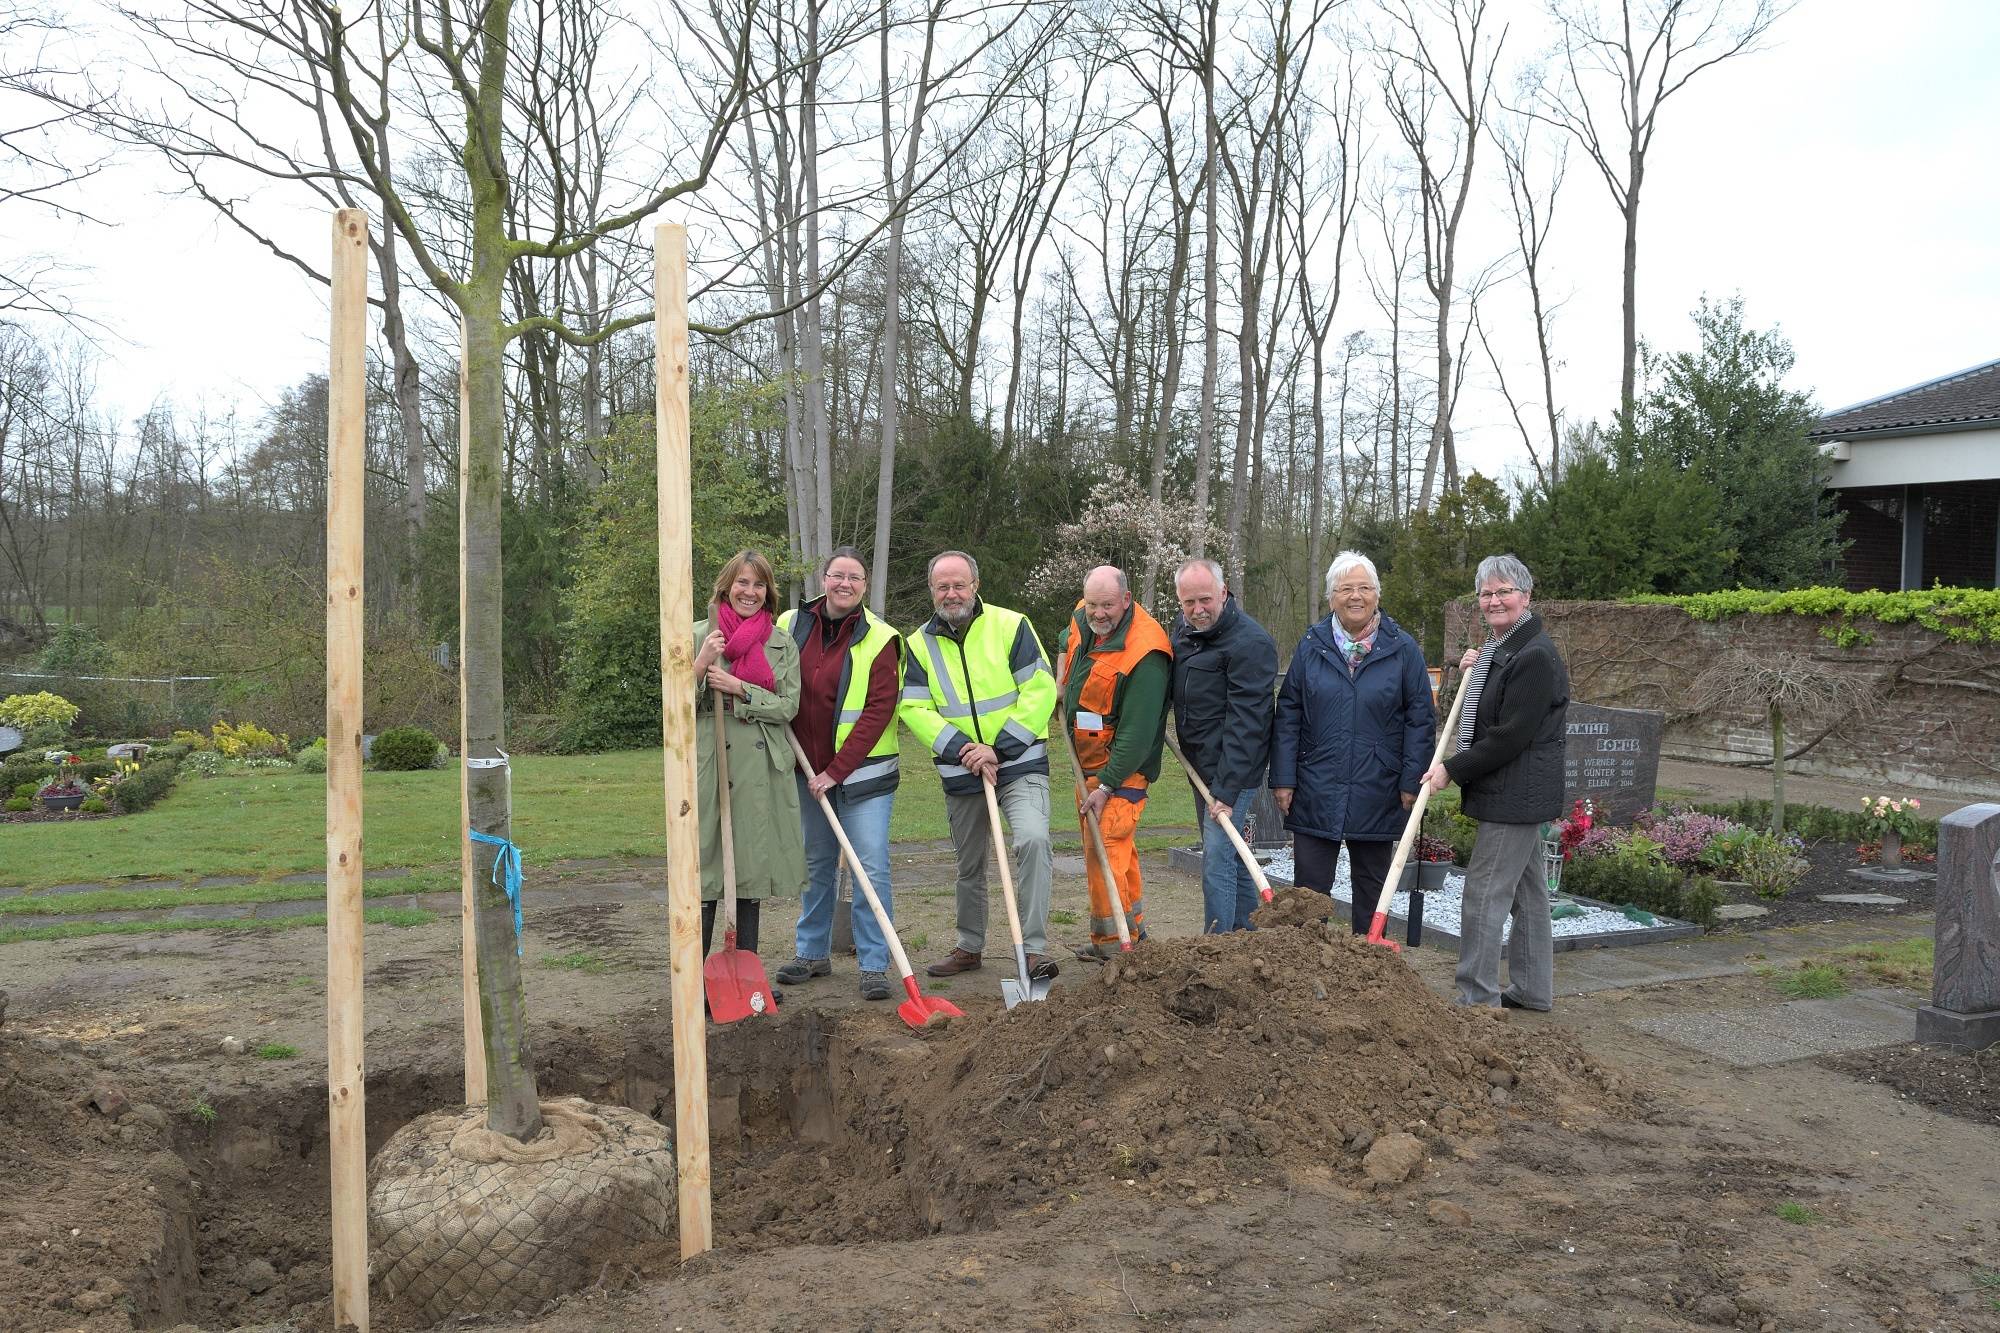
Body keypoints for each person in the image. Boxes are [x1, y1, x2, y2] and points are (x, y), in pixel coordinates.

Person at [900, 550, 1061, 981]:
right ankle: (970, 945)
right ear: (931, 591)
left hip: (1020, 763)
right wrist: (965, 749)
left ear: (976, 585)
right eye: (942, 586)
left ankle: (1034, 949)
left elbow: (1041, 690)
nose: (951, 593)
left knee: (1032, 841)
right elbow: (914, 708)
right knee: (968, 864)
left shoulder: (1012, 625)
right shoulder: (917, 645)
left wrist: (999, 748)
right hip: (962, 769)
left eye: (959, 584)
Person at [1421, 554, 1569, 1011]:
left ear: (1525, 596)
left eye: (1504, 591)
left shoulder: (1535, 656)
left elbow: (1509, 736)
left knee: (1483, 894)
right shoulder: (1503, 650)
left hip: (1514, 795)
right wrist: (1479, 664)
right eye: (1487, 594)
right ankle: (1532, 990)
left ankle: (1476, 998)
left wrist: (1452, 767)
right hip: (1517, 792)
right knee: (1529, 894)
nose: (1494, 600)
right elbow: (1486, 702)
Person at [1271, 551, 1436, 935]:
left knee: (1372, 887)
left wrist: (1412, 780)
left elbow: (1420, 719)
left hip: (1378, 786)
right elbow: (1289, 713)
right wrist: (1283, 778)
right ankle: (1308, 964)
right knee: (1309, 890)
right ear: (1332, 597)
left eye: (1364, 588)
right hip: (1316, 784)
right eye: (1346, 588)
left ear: (1377, 595)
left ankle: (1369, 967)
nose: (1355, 596)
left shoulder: (1403, 649)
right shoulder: (1311, 646)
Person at [774, 548, 904, 1002]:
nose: (844, 584)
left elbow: (877, 711)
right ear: (823, 579)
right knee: (816, 865)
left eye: (854, 578)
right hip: (806, 772)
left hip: (864, 779)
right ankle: (812, 953)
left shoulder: (881, 638)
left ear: (865, 586)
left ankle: (873, 964)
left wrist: (835, 771)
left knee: (870, 868)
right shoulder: (792, 624)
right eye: (836, 576)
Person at [691, 549, 805, 960]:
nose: (750, 592)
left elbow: (788, 706)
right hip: (710, 761)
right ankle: (697, 984)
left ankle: (745, 978)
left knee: (751, 871)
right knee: (705, 869)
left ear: (768, 592)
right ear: (726, 585)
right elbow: (671, 707)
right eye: (742, 582)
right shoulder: (697, 634)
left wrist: (741, 689)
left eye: (759, 584)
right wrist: (701, 664)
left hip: (760, 764)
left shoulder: (781, 642)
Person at [1058, 565, 1172, 958]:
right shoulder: (1084, 615)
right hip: (1087, 765)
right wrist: (1062, 673)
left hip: (1121, 772)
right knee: (1119, 852)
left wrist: (1106, 785)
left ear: (1126, 599)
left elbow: (1137, 736)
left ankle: (1114, 947)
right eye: (1093, 604)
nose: (1098, 613)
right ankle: (1135, 932)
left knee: (1104, 848)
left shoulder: (1147, 654)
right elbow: (1068, 635)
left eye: (1107, 605)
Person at [1168, 557, 1278, 933]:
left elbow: (1248, 724)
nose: (1197, 610)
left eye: (1205, 600)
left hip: (1236, 771)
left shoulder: (1251, 643)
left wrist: (1227, 790)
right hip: (1200, 765)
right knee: (1232, 853)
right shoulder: (1183, 635)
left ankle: (1215, 946)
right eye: (1188, 603)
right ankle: (1249, 937)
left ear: (1224, 593)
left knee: (1216, 857)